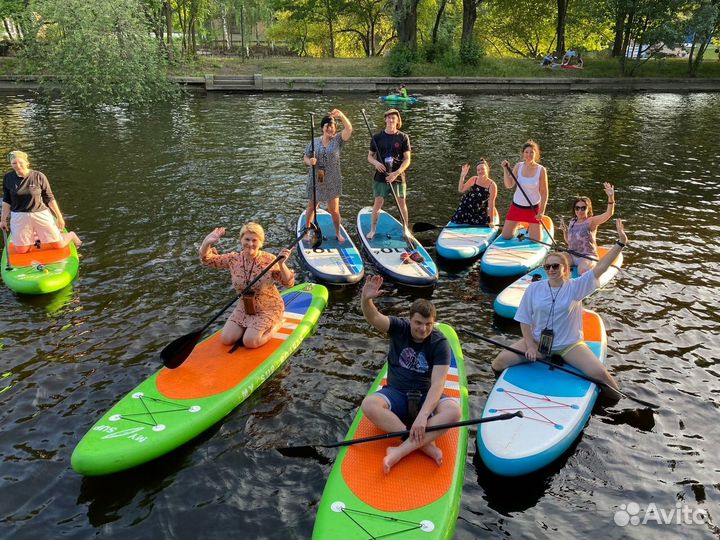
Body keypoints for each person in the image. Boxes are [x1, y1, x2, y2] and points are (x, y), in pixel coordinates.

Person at [492, 219, 628, 398]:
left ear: (564, 269)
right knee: (499, 362)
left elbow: (601, 267)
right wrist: (531, 347)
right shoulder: (534, 288)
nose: (551, 269)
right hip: (538, 342)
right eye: (547, 266)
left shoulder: (576, 286)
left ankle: (620, 401)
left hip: (569, 346)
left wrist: (620, 243)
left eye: (555, 266)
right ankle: (508, 388)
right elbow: (524, 320)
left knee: (601, 375)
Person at [360, 274, 461, 473]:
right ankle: (423, 444)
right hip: (396, 392)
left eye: (428, 324)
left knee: (454, 411)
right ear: (410, 319)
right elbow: (373, 317)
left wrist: (423, 416)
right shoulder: (399, 327)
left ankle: (399, 451)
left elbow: (438, 384)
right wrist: (366, 299)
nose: (423, 329)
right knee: (369, 405)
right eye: (418, 323)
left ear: (433, 323)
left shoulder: (440, 343)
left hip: (426, 396)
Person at [199, 223, 295, 349]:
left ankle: (276, 324)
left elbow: (289, 283)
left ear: (261, 243)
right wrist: (207, 242)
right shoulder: (234, 259)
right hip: (245, 307)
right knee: (226, 339)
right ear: (241, 240)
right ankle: (250, 327)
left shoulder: (269, 260)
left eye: (254, 240)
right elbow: (208, 260)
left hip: (268, 308)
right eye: (247, 239)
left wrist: (282, 264)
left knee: (249, 342)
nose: (250, 244)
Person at [1, 151, 81, 254]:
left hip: (40, 213)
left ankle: (71, 235)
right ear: (11, 164)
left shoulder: (38, 176)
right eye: (14, 163)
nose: (18, 165)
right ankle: (32, 236)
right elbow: (7, 200)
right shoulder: (8, 178)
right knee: (22, 251)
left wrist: (59, 217)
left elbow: (49, 198)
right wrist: (3, 220)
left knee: (59, 245)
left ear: (27, 162)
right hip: (19, 215)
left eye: (20, 162)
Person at [303, 109, 352, 243]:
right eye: (327, 126)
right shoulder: (314, 141)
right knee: (312, 206)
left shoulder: (337, 140)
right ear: (322, 128)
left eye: (332, 126)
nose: (330, 129)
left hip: (332, 179)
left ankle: (337, 232)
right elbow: (305, 157)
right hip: (316, 179)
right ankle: (307, 230)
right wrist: (310, 162)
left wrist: (341, 115)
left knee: (334, 210)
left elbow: (349, 129)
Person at [367, 109, 411, 240]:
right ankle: (373, 229)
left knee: (402, 203)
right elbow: (369, 156)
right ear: (385, 119)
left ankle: (406, 229)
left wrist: (396, 173)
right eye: (389, 118)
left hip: (397, 176)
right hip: (381, 176)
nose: (391, 120)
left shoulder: (403, 137)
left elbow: (407, 159)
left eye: (394, 118)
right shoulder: (377, 137)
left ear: (397, 121)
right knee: (378, 203)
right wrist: (376, 163)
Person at [559, 182, 616, 274]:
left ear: (588, 209)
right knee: (554, 261)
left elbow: (608, 214)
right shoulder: (572, 221)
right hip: (572, 255)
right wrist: (565, 231)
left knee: (583, 270)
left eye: (583, 208)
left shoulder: (592, 221)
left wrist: (611, 197)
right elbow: (569, 242)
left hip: (587, 256)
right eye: (577, 208)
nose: (580, 211)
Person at [499, 140, 549, 241]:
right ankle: (518, 224)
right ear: (523, 154)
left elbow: (544, 193)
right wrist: (505, 169)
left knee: (536, 241)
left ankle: (532, 226)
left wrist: (541, 211)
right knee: (506, 236)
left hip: (533, 209)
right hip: (516, 207)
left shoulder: (541, 170)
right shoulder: (518, 166)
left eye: (532, 152)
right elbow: (509, 185)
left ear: (536, 154)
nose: (529, 154)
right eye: (526, 152)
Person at [450, 159, 497, 226]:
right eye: (478, 170)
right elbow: (461, 189)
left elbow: (491, 203)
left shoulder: (492, 185)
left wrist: (491, 221)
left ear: (487, 169)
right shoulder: (474, 179)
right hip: (467, 206)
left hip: (479, 209)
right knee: (458, 218)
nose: (480, 171)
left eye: (482, 169)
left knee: (481, 223)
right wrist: (462, 175)